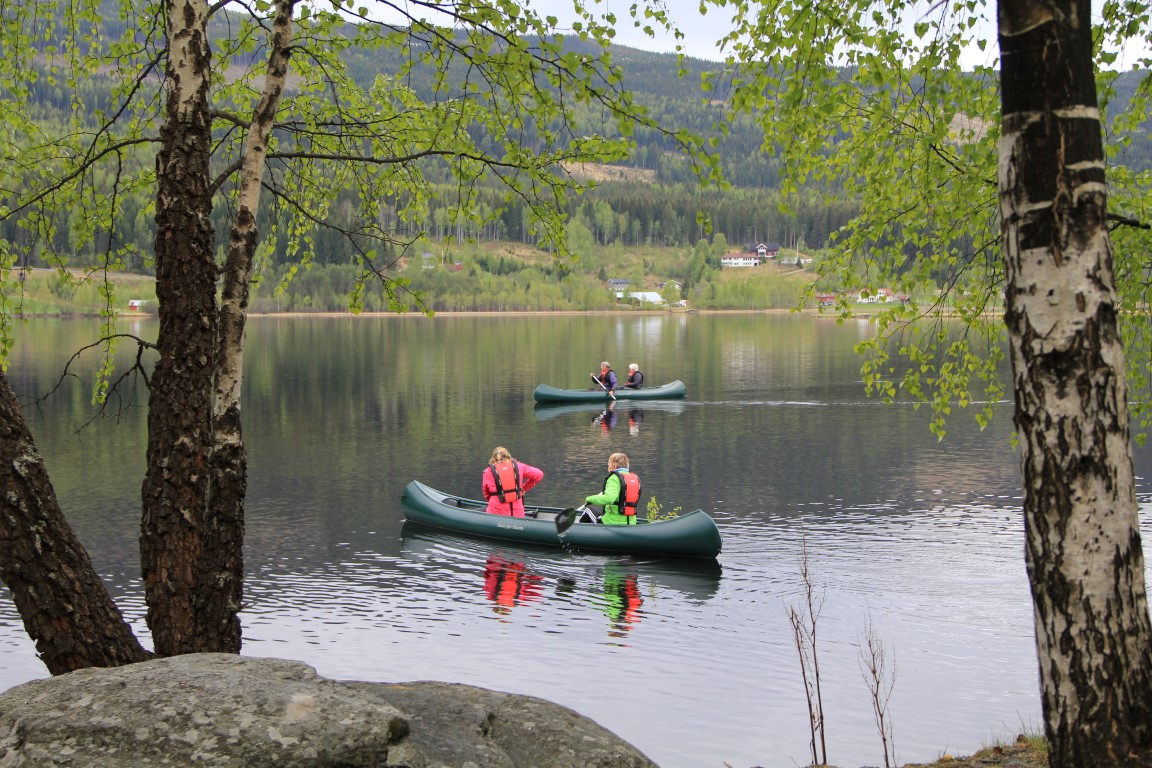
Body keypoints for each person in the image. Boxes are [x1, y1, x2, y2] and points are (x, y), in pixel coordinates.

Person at [482, 446, 543, 518]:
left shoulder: (488, 471)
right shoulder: (519, 466)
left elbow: (486, 494)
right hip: (518, 514)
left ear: (493, 458)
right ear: (508, 456)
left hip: (496, 513)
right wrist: (524, 488)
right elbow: (539, 474)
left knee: (483, 509)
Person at [582, 452, 641, 525]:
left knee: (588, 510)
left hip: (612, 523)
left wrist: (589, 499)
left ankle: (580, 533)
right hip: (631, 522)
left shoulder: (614, 478)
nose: (608, 468)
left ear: (614, 466)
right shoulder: (633, 479)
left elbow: (609, 498)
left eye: (608, 465)